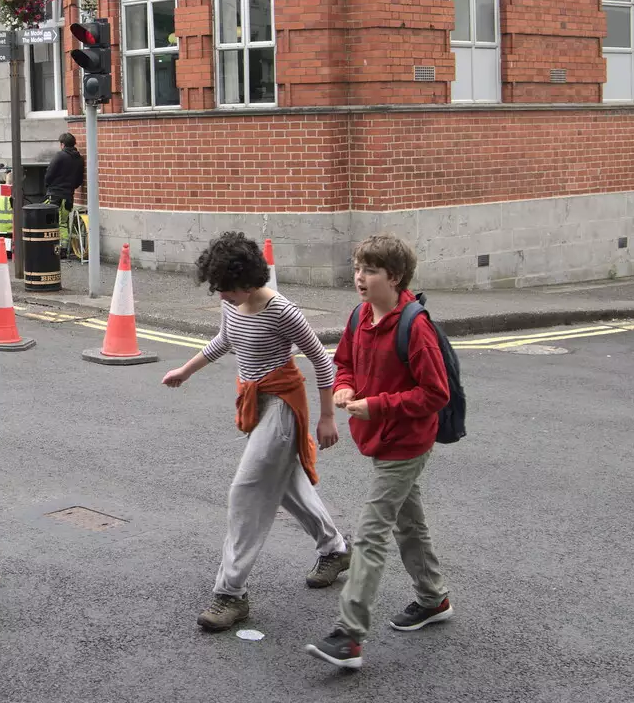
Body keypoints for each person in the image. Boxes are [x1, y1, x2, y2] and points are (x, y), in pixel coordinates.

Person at [162, 232, 351, 633]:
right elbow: (225, 340)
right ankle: (335, 548)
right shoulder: (232, 305)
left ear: (248, 282)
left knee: (246, 491)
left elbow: (321, 359)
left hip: (283, 404)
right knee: (286, 486)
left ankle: (230, 594)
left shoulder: (282, 311)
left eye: (227, 288)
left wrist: (327, 417)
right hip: (255, 404)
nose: (222, 295)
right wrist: (186, 370)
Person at [307, 234, 452, 672]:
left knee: (371, 534)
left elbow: (435, 393)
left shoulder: (415, 327)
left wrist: (377, 405)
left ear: (395, 277)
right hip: (379, 438)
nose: (359, 278)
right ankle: (433, 598)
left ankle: (349, 637)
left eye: (369, 270)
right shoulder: (359, 316)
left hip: (406, 443)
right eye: (358, 268)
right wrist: (345, 386)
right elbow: (345, 361)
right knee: (409, 522)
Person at [43, 132, 84, 207]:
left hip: (55, 194)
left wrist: (48, 185)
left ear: (62, 144)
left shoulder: (60, 156)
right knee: (65, 218)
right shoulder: (80, 159)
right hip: (69, 195)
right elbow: (79, 179)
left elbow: (49, 174)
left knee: (52, 217)